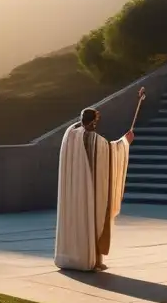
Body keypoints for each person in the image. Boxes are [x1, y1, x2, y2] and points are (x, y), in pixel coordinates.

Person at [54, 107, 134, 272]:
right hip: (89, 189)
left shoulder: (70, 135)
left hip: (73, 189)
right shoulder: (92, 139)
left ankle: (75, 256)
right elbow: (111, 152)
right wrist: (126, 142)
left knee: (76, 221)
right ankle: (91, 259)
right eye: (96, 121)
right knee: (95, 220)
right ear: (92, 122)